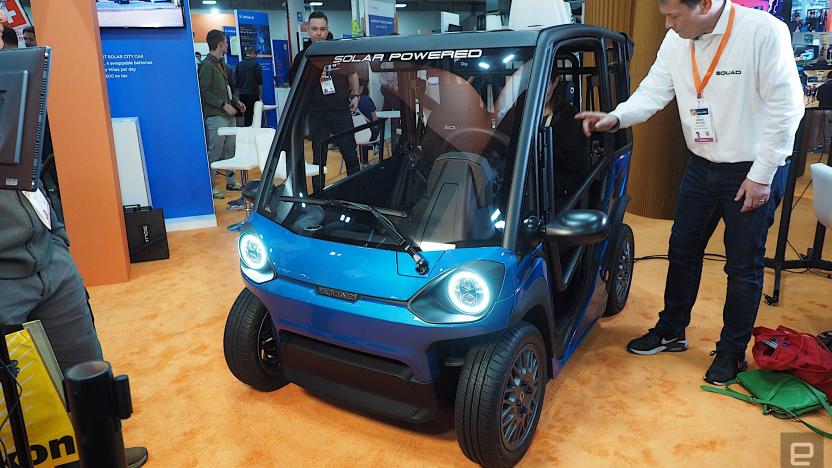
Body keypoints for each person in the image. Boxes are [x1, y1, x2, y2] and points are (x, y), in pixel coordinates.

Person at [576, 0, 804, 385]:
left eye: (674, 15)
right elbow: (654, 91)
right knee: (682, 250)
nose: (668, 23)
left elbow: (787, 109)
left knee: (742, 266)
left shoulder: (763, 32)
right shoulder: (677, 40)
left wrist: (762, 175)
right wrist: (616, 117)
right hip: (701, 164)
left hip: (753, 169)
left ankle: (732, 352)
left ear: (707, 5)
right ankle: (671, 329)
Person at [0, 188, 148, 466]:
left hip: (51, 260)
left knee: (87, 371)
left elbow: (29, 178)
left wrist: (58, 238)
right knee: (12, 393)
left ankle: (103, 455)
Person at [290, 11, 361, 188]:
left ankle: (360, 192)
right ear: (307, 29)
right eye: (314, 29)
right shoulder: (303, 57)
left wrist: (357, 95)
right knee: (318, 160)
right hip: (317, 114)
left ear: (328, 29)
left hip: (341, 111)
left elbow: (352, 74)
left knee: (351, 155)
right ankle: (318, 199)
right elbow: (295, 85)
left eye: (322, 29)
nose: (318, 33)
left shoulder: (339, 51)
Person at [198, 30, 245, 200]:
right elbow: (203, 92)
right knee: (215, 152)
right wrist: (223, 105)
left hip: (229, 115)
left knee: (231, 150)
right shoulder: (206, 66)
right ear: (220, 44)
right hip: (215, 116)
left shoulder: (224, 66)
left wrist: (235, 101)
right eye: (226, 42)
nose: (227, 44)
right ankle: (211, 187)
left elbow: (229, 89)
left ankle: (231, 182)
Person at [235, 47, 263, 127]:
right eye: (255, 54)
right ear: (252, 54)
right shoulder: (256, 65)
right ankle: (253, 133)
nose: (256, 56)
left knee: (246, 115)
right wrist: (261, 95)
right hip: (253, 94)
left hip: (242, 95)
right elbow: (259, 81)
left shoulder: (239, 65)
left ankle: (247, 132)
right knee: (255, 115)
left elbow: (237, 82)